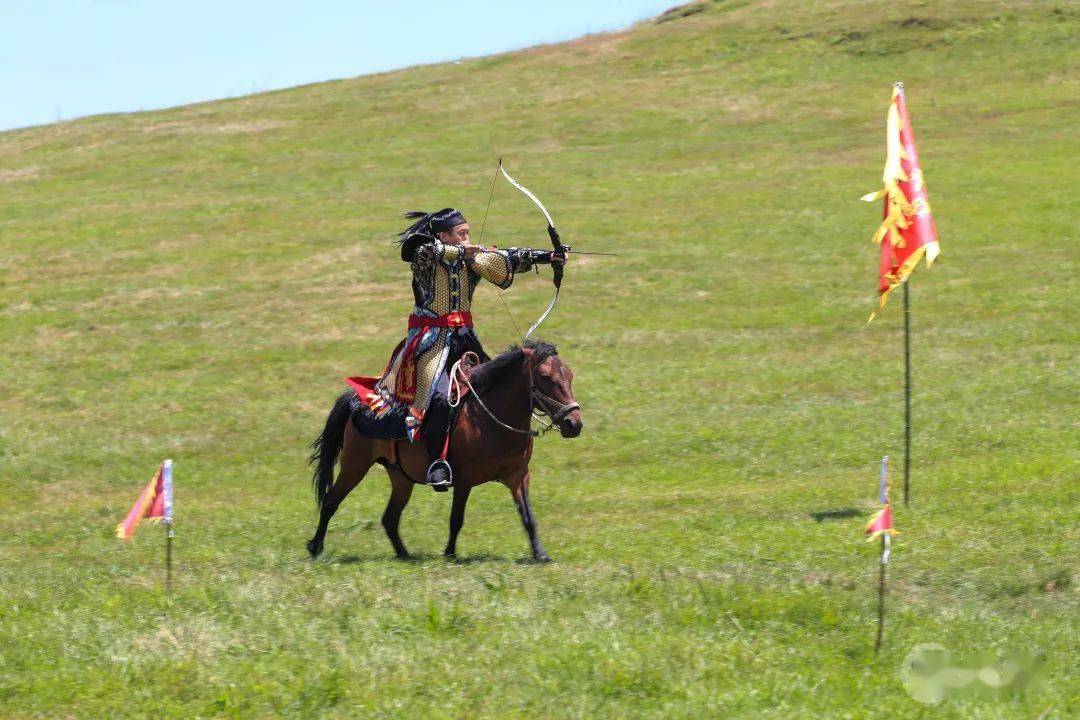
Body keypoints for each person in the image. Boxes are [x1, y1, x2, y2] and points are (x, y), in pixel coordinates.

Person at [363, 208, 566, 489]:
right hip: (430, 340)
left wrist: (547, 257)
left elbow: (508, 258)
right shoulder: (425, 254)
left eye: (468, 233)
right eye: (461, 234)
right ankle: (437, 463)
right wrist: (467, 252)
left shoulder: (471, 258)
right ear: (443, 235)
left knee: (498, 387)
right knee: (437, 398)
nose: (467, 238)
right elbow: (420, 250)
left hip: (465, 339)